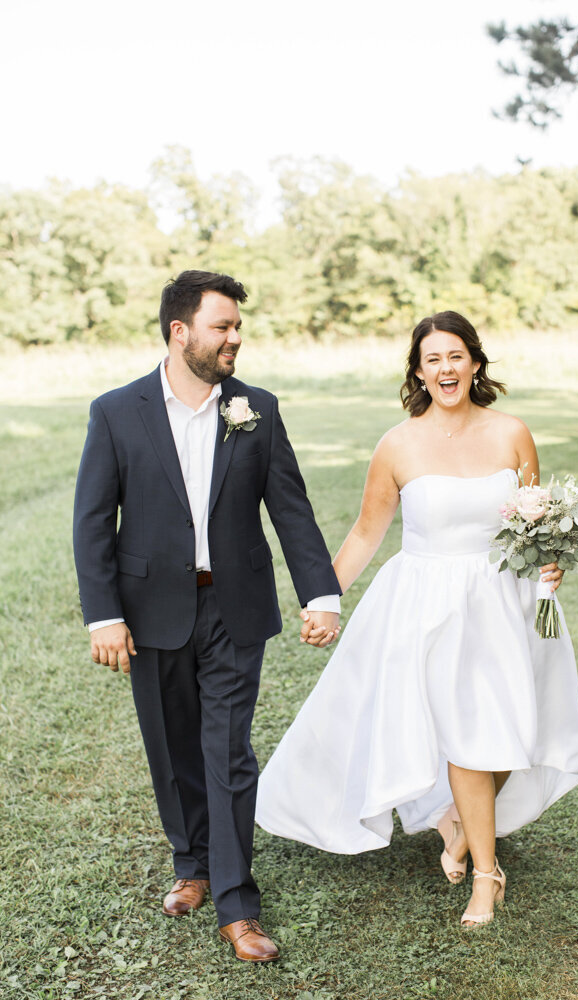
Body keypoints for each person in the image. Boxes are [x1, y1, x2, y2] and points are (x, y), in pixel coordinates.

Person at [258, 310, 578, 929]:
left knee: (508, 735)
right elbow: (365, 533)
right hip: (427, 606)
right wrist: (323, 600)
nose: (446, 368)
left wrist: (555, 564)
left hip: (505, 600)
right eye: (432, 358)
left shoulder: (512, 433)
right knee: (470, 735)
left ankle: (457, 824)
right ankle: (486, 878)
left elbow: (536, 525)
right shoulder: (398, 444)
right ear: (418, 369)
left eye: (456, 356)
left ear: (474, 362)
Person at [73, 270, 341, 962]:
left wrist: (321, 594)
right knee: (171, 746)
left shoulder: (257, 408)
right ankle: (190, 864)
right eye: (222, 326)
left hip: (234, 603)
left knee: (227, 750)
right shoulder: (116, 411)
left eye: (236, 327)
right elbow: (93, 522)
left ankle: (236, 903)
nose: (235, 339)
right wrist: (103, 615)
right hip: (150, 605)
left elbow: (290, 508)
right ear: (179, 331)